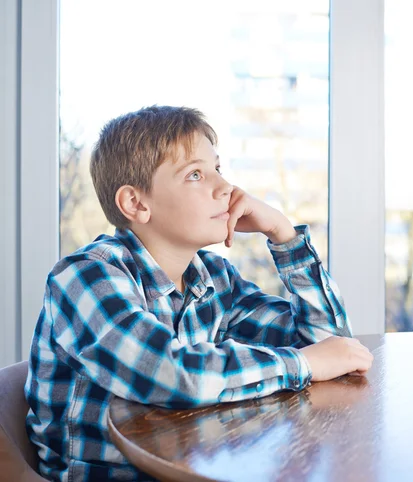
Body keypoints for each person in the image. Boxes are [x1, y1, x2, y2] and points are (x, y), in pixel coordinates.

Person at [24, 105, 373, 481]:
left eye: (218, 169)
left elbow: (331, 346)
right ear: (136, 203)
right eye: (195, 174)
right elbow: (173, 374)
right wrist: (303, 364)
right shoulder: (85, 277)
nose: (226, 188)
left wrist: (283, 235)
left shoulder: (213, 278)